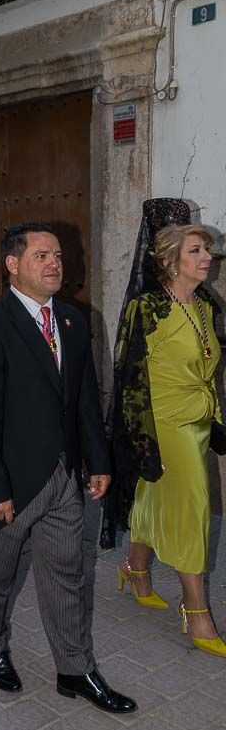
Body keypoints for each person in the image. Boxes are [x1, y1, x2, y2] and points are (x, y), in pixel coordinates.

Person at [0, 222, 136, 714]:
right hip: (12, 481)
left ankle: (75, 669)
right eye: (42, 255)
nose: (55, 263)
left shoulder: (76, 322)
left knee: (68, 574)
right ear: (13, 265)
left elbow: (81, 398)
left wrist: (97, 461)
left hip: (64, 478)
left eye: (57, 255)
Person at [109, 218, 225, 657]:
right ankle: (195, 610)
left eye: (206, 251)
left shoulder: (204, 305)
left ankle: (135, 567)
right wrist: (138, 438)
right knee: (195, 505)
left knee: (156, 496)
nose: (206, 258)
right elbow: (128, 376)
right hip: (164, 422)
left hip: (198, 419)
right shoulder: (148, 306)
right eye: (196, 251)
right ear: (170, 261)